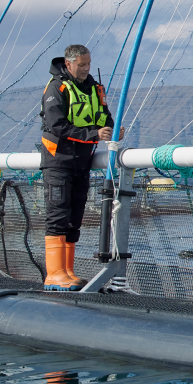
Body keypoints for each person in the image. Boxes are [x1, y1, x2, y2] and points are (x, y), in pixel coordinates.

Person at [39, 44, 124, 291]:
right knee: (58, 214)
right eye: (81, 65)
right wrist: (92, 134)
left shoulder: (94, 89)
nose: (86, 68)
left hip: (81, 163)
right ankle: (54, 274)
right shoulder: (57, 88)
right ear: (68, 64)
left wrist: (111, 130)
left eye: (88, 64)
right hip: (58, 162)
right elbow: (57, 126)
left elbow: (105, 116)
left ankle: (67, 272)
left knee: (74, 218)